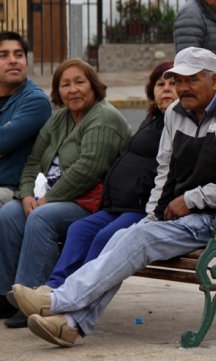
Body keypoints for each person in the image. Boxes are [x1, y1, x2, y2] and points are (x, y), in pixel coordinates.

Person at [13, 47, 216, 347]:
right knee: (123, 237)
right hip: (183, 215)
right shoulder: (176, 112)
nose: (182, 88)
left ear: (215, 80)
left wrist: (193, 198)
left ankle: (58, 300)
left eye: (191, 80)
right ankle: (71, 323)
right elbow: (165, 170)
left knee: (136, 240)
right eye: (178, 80)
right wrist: (151, 216)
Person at [0, 59, 131, 327]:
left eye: (80, 82)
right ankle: (7, 295)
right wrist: (26, 195)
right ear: (58, 92)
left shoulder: (104, 117)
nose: (73, 90)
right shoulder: (59, 119)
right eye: (65, 84)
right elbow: (34, 161)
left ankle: (35, 297)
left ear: (93, 86)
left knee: (42, 217)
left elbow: (88, 170)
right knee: (10, 213)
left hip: (92, 203)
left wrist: (45, 200)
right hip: (50, 196)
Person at [39, 62, 176, 291]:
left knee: (105, 237)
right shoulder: (153, 119)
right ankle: (52, 289)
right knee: (79, 230)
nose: (166, 88)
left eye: (173, 83)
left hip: (142, 208)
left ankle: (74, 297)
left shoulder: (182, 123)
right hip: (117, 205)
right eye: (160, 84)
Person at [0, 32, 52, 206]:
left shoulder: (36, 101)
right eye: (3, 55)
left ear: (26, 62)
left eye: (19, 54)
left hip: (14, 189)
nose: (13, 60)